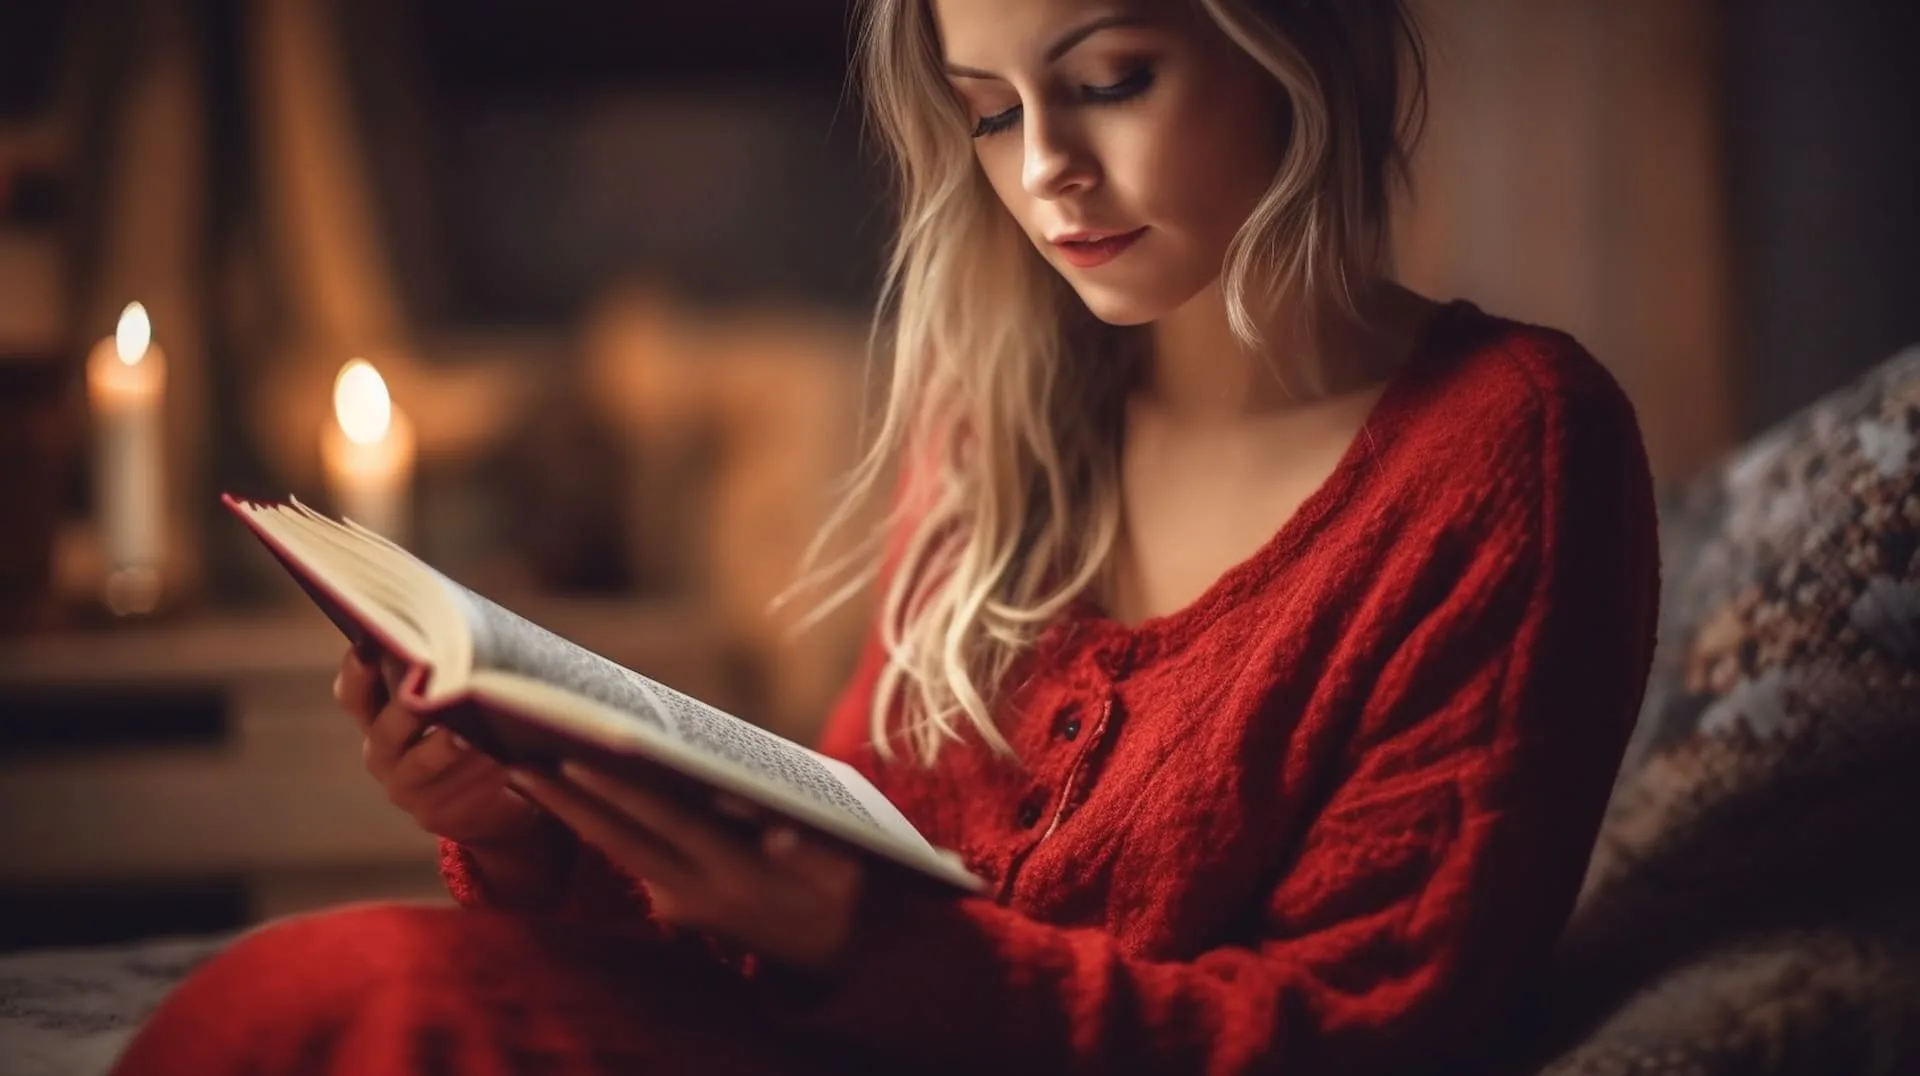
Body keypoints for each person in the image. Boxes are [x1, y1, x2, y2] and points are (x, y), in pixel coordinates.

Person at [111, 0, 1660, 1072]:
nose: (1043, 169)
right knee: (310, 999)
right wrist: (525, 828)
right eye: (988, 113)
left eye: (1110, 76)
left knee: (348, 1009)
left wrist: (874, 951)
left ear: (1288, 45)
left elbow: (1373, 1036)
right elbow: (811, 889)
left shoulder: (1510, 450)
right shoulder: (999, 416)